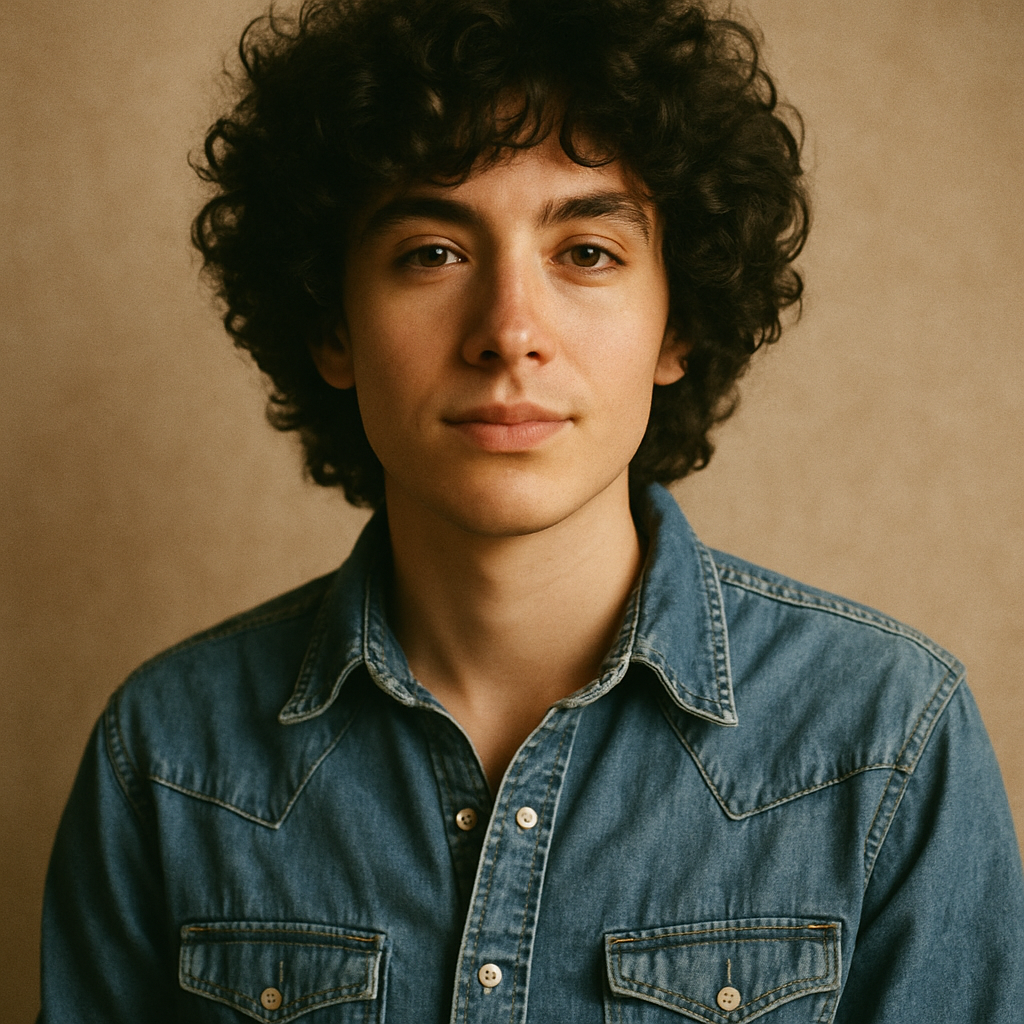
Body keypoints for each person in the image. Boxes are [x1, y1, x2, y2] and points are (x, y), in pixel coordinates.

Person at [39, 0, 1024, 1020]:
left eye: (586, 252)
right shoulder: (166, 754)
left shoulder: (885, 737)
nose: (510, 330)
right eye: (431, 251)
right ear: (333, 328)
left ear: (674, 323)